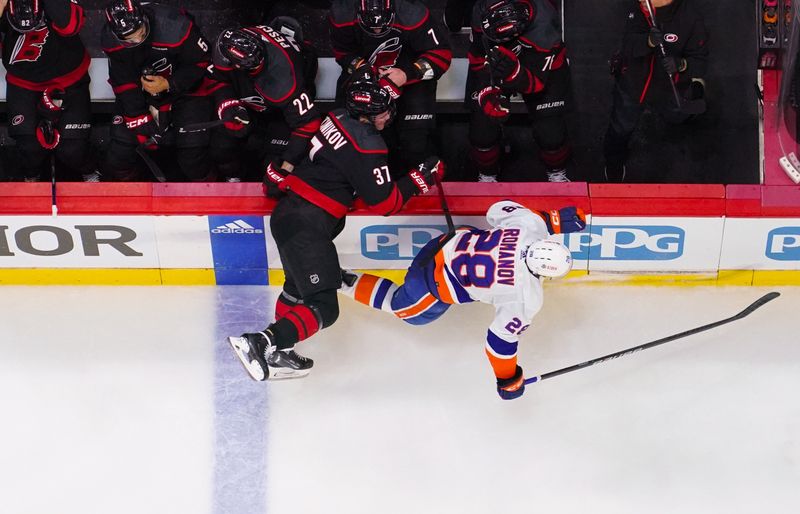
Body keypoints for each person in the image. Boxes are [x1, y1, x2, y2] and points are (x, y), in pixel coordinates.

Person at [227, 69, 446, 381]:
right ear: (367, 116)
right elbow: (386, 203)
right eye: (382, 112)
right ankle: (260, 342)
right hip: (308, 227)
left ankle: (281, 352)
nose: (387, 117)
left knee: (295, 288)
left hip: (288, 215)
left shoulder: (338, 116)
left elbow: (342, 166)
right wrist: (419, 179)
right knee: (325, 307)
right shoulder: (369, 145)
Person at [339, 200, 586, 400]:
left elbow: (497, 210)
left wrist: (553, 220)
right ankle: (341, 281)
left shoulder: (528, 227)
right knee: (407, 311)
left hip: (450, 240)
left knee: (477, 235)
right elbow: (498, 343)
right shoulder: (525, 297)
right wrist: (507, 379)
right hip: (431, 275)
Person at [101, 0, 221, 181]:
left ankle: (214, 192)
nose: (137, 41)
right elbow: (122, 80)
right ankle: (131, 199)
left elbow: (202, 62)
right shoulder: (110, 37)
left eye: (140, 34)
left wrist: (170, 83)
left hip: (187, 91)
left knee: (193, 159)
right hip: (143, 93)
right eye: (129, 40)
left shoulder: (175, 26)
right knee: (119, 155)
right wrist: (138, 115)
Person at [329, 0, 451, 171]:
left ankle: (418, 185)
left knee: (416, 145)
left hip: (411, 75)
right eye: (373, 28)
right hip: (367, 75)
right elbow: (342, 53)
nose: (378, 31)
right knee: (352, 138)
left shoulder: (414, 13)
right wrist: (364, 70)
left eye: (382, 27)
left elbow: (442, 55)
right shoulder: (341, 12)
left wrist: (407, 74)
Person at [466, 0, 572, 183]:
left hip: (542, 66)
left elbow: (536, 83)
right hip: (496, 61)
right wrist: (488, 92)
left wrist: (513, 74)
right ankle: (487, 174)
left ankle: (556, 172)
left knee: (552, 135)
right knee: (481, 133)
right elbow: (477, 58)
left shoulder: (544, 28)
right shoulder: (481, 10)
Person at [603, 0, 708, 182]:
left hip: (669, 88)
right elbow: (625, 46)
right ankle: (614, 165)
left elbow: (700, 61)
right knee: (619, 130)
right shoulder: (633, 11)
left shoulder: (691, 19)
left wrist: (681, 65)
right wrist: (648, 41)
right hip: (633, 86)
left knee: (678, 115)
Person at [208, 18, 321, 182]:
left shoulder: (286, 81)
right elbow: (217, 77)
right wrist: (228, 104)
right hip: (254, 104)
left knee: (270, 166)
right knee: (221, 148)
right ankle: (234, 179)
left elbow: (309, 123)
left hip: (282, 113)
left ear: (240, 67)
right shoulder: (240, 39)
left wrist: (285, 167)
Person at [0, 0, 97, 182]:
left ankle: (90, 173)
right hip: (23, 82)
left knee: (73, 151)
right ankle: (32, 178)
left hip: (69, 78)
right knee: (30, 149)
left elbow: (70, 25)